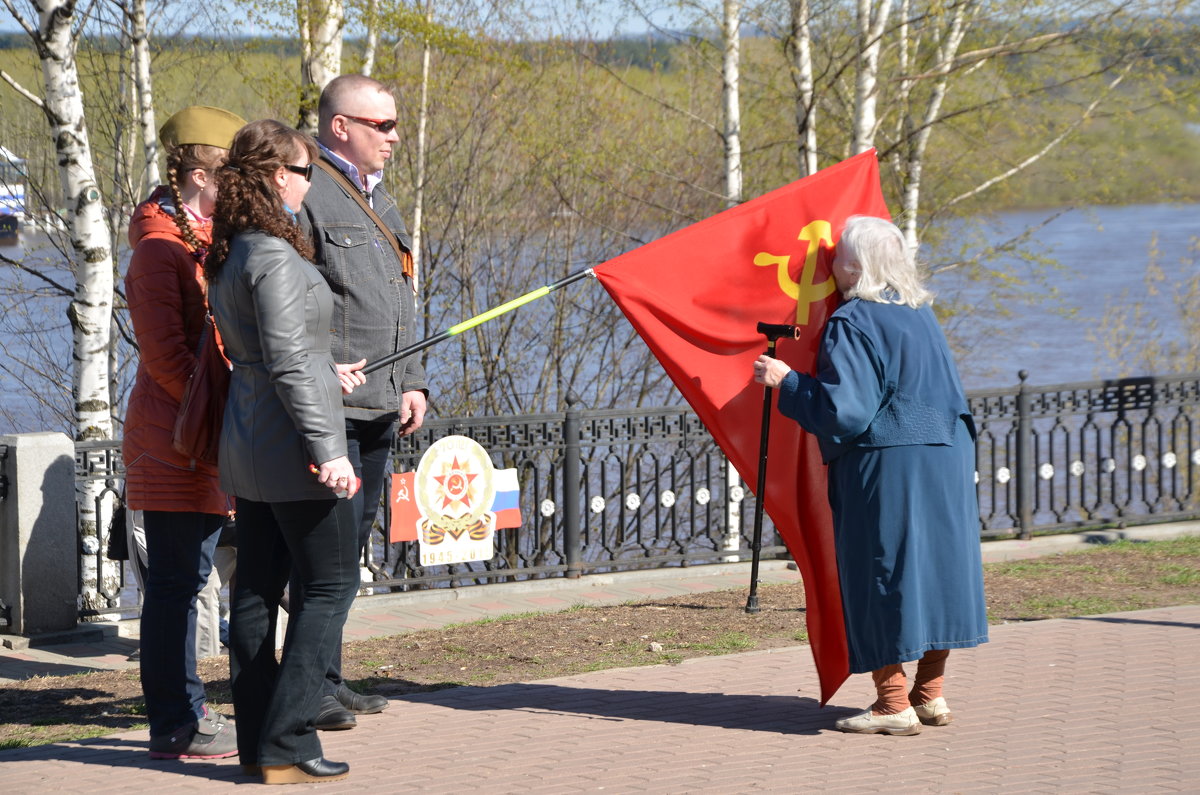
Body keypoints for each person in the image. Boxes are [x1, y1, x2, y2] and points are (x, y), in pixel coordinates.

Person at [752, 214, 988, 736]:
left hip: (889, 463)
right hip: (946, 453)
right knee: (934, 572)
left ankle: (892, 704)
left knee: (881, 571)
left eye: (836, 256)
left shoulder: (852, 319)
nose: (829, 264)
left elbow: (847, 412)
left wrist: (787, 381)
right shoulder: (920, 313)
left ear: (855, 266)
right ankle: (930, 694)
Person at [206, 118, 367, 784]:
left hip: (251, 440)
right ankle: (288, 738)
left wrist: (327, 369)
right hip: (292, 447)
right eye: (306, 172)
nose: (311, 183)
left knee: (255, 593)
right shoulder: (272, 255)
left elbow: (276, 354)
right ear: (279, 176)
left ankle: (258, 742)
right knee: (329, 586)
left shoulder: (233, 249)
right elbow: (288, 360)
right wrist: (331, 448)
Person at [296, 73, 428, 731]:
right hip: (333, 409)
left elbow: (398, 299)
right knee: (323, 557)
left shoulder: (380, 199)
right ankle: (304, 688)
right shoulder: (308, 194)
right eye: (383, 125)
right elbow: (286, 305)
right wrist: (321, 368)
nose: (395, 137)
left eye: (396, 124)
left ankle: (327, 674)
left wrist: (414, 380)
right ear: (340, 125)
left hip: (380, 403)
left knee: (349, 556)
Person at [122, 105, 244, 759]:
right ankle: (176, 721)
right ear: (203, 172)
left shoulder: (200, 238)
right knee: (174, 584)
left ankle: (188, 711)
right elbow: (167, 359)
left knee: (189, 576)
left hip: (200, 436)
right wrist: (230, 410)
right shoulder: (157, 249)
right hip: (172, 442)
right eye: (232, 174)